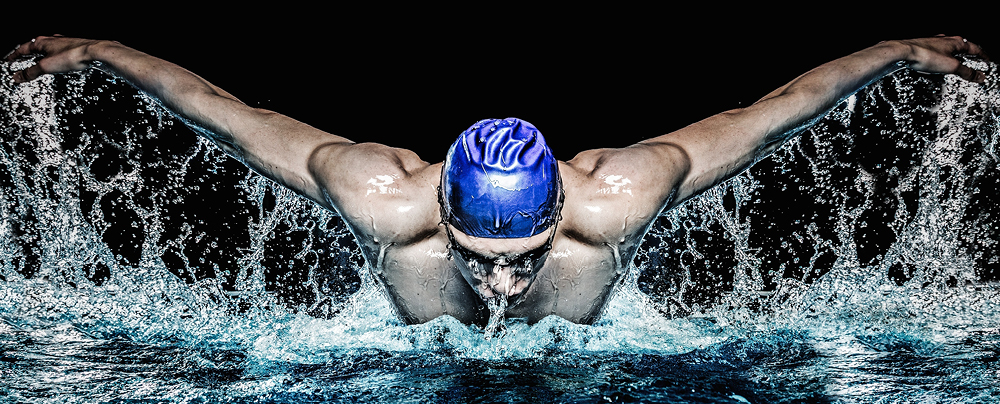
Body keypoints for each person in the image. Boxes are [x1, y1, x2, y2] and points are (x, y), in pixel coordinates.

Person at [5, 35, 988, 326]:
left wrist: (892, 52)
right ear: (440, 208)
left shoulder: (619, 195)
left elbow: (773, 110)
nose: (502, 286)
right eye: (482, 259)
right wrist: (103, 53)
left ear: (562, 207)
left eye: (521, 260)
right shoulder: (376, 193)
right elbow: (218, 106)